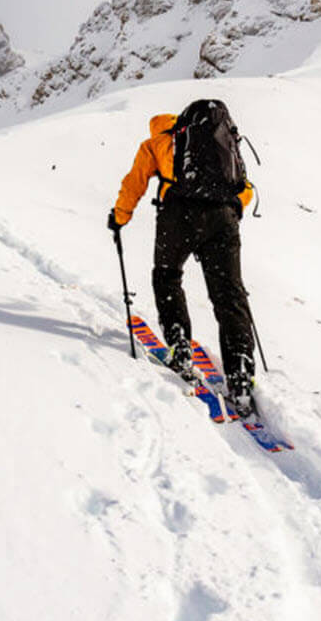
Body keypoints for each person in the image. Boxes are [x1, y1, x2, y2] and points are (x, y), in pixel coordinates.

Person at [106, 101, 257, 412]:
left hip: (178, 217)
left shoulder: (155, 142)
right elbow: (244, 185)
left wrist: (120, 217)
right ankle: (240, 368)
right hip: (223, 218)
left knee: (167, 276)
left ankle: (179, 344)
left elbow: (134, 183)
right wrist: (234, 208)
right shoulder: (221, 138)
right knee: (229, 293)